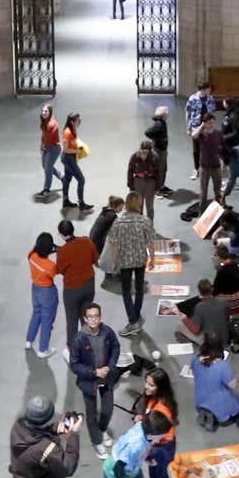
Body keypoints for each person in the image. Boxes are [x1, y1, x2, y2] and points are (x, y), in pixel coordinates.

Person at [69, 303, 122, 459]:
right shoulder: (79, 339)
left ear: (100, 317)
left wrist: (110, 366)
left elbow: (116, 347)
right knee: (91, 414)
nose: (93, 319)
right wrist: (94, 372)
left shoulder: (107, 332)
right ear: (85, 319)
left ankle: (102, 429)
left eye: (96, 316)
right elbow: (74, 364)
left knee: (107, 409)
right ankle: (97, 442)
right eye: (90, 316)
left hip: (107, 377)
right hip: (88, 381)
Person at [108, 192, 158, 335]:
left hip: (125, 261)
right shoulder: (145, 221)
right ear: (138, 204)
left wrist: (113, 262)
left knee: (126, 291)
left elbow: (114, 244)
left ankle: (132, 321)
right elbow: (150, 243)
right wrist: (152, 259)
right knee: (139, 289)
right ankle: (136, 317)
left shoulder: (118, 222)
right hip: (140, 260)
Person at [9, 396, 83, 478]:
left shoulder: (18, 427)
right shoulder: (47, 449)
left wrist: (55, 429)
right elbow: (68, 467)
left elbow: (37, 431)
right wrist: (74, 435)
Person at [134, 369, 178, 478]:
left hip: (161, 449)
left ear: (161, 387)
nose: (146, 387)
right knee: (160, 476)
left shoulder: (162, 409)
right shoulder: (154, 398)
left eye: (151, 385)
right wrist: (143, 418)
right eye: (146, 382)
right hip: (159, 446)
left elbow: (161, 434)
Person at [57, 220, 98, 345]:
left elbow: (60, 270)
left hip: (72, 290)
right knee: (87, 317)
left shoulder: (62, 251)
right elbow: (94, 258)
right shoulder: (87, 241)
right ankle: (90, 344)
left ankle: (73, 349)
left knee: (72, 321)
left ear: (60, 234)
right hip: (89, 285)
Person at [103, 412, 170, 478]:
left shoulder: (142, 425)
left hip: (130, 468)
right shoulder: (137, 446)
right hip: (116, 475)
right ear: (152, 435)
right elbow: (117, 469)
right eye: (162, 436)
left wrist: (146, 458)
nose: (163, 437)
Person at [188, 337, 239, 428]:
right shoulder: (222, 366)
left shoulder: (195, 358)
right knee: (235, 403)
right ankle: (212, 418)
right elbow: (232, 385)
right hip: (218, 402)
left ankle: (204, 415)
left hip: (201, 398)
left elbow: (194, 372)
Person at [26, 232, 59, 358]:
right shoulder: (50, 266)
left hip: (35, 289)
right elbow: (56, 272)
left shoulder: (31, 255)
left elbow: (40, 252)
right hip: (47, 292)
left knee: (36, 314)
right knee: (47, 320)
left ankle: (29, 340)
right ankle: (43, 349)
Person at [175, 278, 229, 347]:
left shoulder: (200, 307)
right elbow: (227, 317)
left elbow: (196, 331)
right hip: (224, 337)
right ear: (212, 289)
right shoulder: (223, 300)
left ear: (199, 291)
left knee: (180, 325)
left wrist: (184, 318)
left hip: (210, 342)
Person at [184, 82, 217, 179]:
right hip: (195, 126)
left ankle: (207, 168)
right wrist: (188, 127)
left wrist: (211, 124)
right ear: (203, 89)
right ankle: (196, 169)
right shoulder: (193, 98)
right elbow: (187, 112)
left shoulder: (210, 98)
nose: (209, 91)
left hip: (207, 127)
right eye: (207, 89)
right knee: (196, 149)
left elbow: (212, 112)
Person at [191, 113, 226, 205]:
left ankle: (218, 212)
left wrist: (224, 162)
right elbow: (193, 135)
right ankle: (201, 213)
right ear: (205, 123)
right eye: (209, 123)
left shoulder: (218, 133)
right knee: (203, 192)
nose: (211, 125)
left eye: (213, 123)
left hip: (216, 166)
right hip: (204, 166)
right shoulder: (202, 134)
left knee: (218, 191)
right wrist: (202, 126)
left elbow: (223, 148)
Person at [61, 113, 91, 211]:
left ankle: (65, 201)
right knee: (81, 179)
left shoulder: (73, 130)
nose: (80, 121)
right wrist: (77, 151)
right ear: (72, 122)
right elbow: (65, 149)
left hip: (71, 158)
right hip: (68, 158)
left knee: (67, 179)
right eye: (78, 120)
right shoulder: (67, 132)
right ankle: (81, 203)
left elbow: (73, 142)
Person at [128, 139, 161, 226]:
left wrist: (158, 187)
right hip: (138, 182)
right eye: (142, 151)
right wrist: (131, 186)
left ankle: (149, 226)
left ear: (150, 151)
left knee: (149, 206)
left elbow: (158, 173)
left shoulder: (154, 157)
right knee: (138, 206)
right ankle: (140, 225)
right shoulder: (134, 157)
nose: (144, 154)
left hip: (150, 182)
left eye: (146, 152)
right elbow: (130, 171)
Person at [145, 106, 172, 197]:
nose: (168, 113)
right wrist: (157, 140)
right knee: (159, 170)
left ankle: (161, 186)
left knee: (163, 169)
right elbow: (148, 132)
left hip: (162, 149)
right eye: (167, 112)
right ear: (163, 114)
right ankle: (156, 190)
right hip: (159, 150)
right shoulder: (159, 124)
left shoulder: (161, 123)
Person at [40, 104, 64, 198]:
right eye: (42, 111)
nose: (43, 113)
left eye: (45, 111)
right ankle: (62, 177)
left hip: (53, 148)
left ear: (50, 112)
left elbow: (49, 139)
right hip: (47, 147)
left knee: (48, 169)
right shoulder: (45, 121)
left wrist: (44, 147)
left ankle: (46, 189)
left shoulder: (51, 124)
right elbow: (43, 135)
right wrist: (41, 144)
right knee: (45, 166)